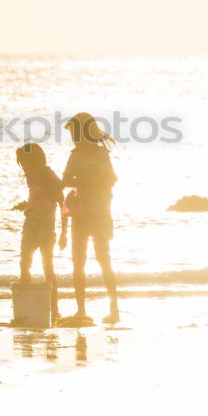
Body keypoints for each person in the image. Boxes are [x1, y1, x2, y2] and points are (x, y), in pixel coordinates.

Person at [62, 112, 120, 324]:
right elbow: (66, 178)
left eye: (74, 133)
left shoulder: (101, 154)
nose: (73, 138)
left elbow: (112, 179)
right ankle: (81, 310)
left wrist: (86, 181)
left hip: (101, 212)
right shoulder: (75, 155)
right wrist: (79, 181)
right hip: (81, 214)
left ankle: (114, 308)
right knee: (78, 263)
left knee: (104, 259)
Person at [15, 143, 67, 322]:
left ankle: (54, 310)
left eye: (24, 162)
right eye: (21, 163)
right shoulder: (31, 176)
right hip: (30, 223)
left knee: (48, 267)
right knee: (25, 265)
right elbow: (37, 199)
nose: (23, 167)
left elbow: (62, 203)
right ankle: (25, 310)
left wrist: (64, 233)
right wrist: (26, 205)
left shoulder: (50, 177)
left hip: (46, 225)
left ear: (34, 160)